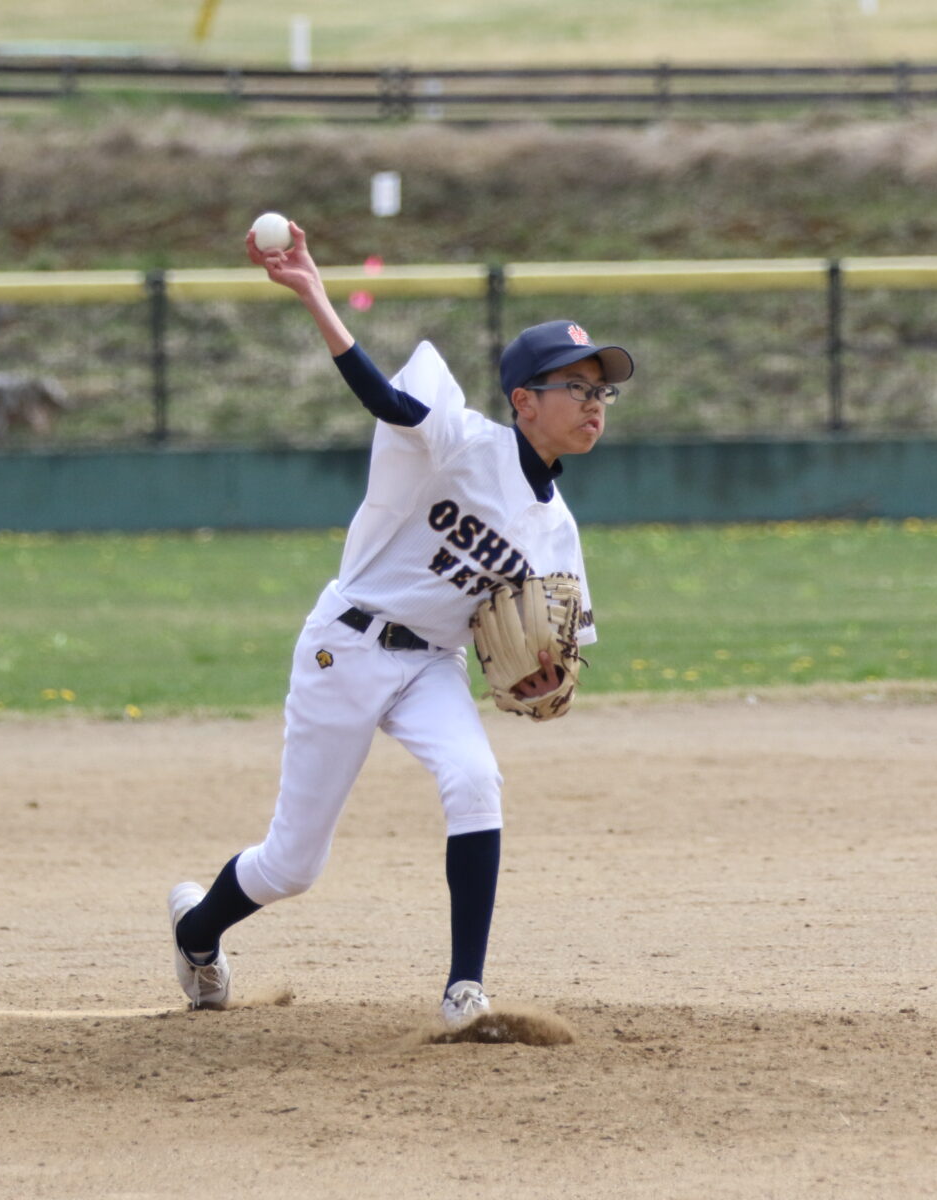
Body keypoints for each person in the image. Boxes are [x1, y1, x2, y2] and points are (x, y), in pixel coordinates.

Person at [168, 220, 633, 1028]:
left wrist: (549, 675)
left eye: (603, 392)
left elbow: (563, 651)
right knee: (292, 864)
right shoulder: (458, 443)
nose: (595, 405)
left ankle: (464, 991)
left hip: (430, 668)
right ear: (525, 401)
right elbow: (382, 396)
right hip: (344, 646)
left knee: (475, 779)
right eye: (577, 389)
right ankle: (197, 932)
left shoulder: (559, 529)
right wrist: (314, 291)